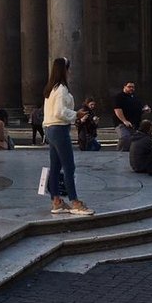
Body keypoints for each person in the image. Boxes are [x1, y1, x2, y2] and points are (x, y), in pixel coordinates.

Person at [43, 57, 94, 216]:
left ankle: (56, 201)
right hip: (59, 129)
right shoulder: (61, 89)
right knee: (69, 166)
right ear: (64, 70)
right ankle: (74, 202)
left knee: (56, 167)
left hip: (50, 129)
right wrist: (76, 114)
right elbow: (60, 112)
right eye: (68, 68)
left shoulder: (51, 88)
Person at [112, 81, 150, 152]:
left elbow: (141, 107)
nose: (131, 88)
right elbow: (117, 109)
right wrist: (124, 120)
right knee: (125, 137)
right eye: (129, 87)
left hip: (134, 123)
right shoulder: (119, 97)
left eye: (133, 87)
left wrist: (146, 109)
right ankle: (119, 153)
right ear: (124, 87)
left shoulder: (135, 97)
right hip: (122, 123)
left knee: (134, 140)